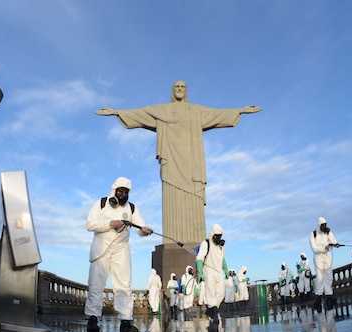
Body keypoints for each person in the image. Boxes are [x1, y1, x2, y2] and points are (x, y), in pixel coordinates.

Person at [95, 81, 261, 246]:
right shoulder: (162, 111)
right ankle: (173, 238)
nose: (180, 89)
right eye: (177, 87)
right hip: (171, 164)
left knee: (193, 199)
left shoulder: (196, 111)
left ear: (186, 91)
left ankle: (195, 238)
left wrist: (240, 111)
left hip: (192, 164)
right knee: (172, 198)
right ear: (172, 91)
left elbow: (217, 115)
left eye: (183, 87)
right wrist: (117, 112)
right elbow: (142, 114)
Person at [84, 177, 153, 332]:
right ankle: (93, 319)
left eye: (126, 192)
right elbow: (89, 224)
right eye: (120, 191)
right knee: (96, 284)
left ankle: (126, 321)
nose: (123, 195)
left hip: (121, 249)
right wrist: (110, 224)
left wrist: (144, 231)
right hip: (101, 248)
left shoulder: (132, 209)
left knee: (123, 285)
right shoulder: (101, 203)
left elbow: (140, 228)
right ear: (114, 191)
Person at [196, 224, 230, 330]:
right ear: (212, 235)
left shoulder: (221, 245)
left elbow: (222, 258)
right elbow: (200, 258)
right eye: (217, 235)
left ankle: (211, 310)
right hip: (208, 269)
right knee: (210, 292)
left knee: (221, 293)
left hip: (218, 270)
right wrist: (200, 272)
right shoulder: (206, 243)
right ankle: (213, 313)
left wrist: (225, 269)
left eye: (220, 235)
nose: (219, 238)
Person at [309, 217, 341, 309]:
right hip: (318, 257)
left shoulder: (328, 232)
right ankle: (318, 297)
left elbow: (332, 240)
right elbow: (314, 248)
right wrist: (324, 248)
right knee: (319, 277)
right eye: (322, 225)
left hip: (327, 256)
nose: (324, 226)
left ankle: (329, 296)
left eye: (325, 224)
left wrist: (335, 244)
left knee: (328, 276)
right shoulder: (313, 234)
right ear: (319, 225)